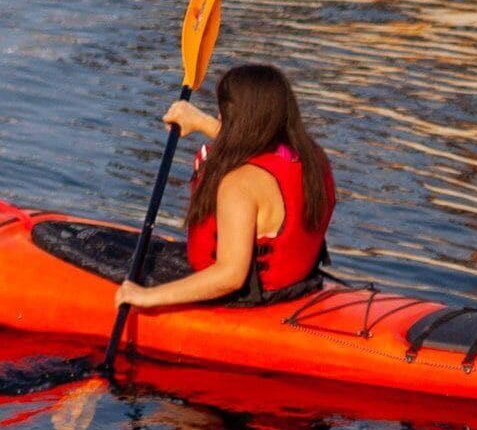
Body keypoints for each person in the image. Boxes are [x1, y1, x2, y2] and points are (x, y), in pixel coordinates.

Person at [114, 62, 334, 315]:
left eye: (221, 113)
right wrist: (200, 122)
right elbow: (260, 148)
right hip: (299, 283)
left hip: (251, 297)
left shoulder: (239, 184)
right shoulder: (311, 156)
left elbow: (230, 276)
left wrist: (146, 296)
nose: (219, 118)